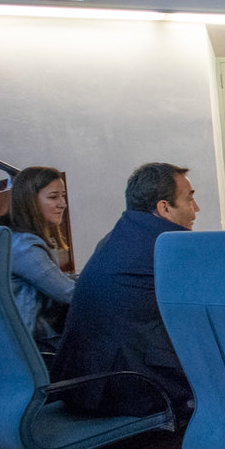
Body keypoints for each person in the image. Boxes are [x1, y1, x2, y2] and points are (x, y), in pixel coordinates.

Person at [51, 162, 197, 420]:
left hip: (82, 380)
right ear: (164, 208)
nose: (196, 209)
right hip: (125, 386)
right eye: (189, 199)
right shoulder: (168, 246)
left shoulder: (116, 237)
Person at [0, 166, 74, 350]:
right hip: (35, 347)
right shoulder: (25, 248)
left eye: (63, 196)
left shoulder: (12, 237)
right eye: (53, 197)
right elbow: (69, 294)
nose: (63, 204)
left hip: (25, 340)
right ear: (30, 201)